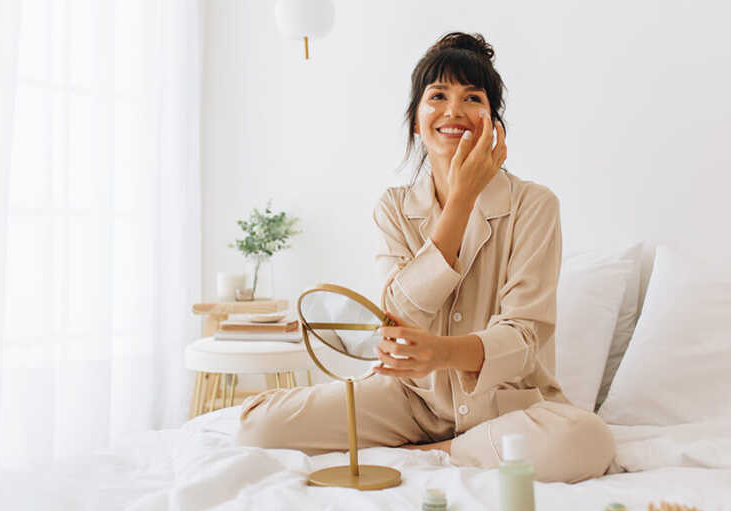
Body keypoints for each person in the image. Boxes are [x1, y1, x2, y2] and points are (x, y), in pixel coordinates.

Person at [237, 31, 615, 483]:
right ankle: (450, 446)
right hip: (410, 402)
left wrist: (443, 353)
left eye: (472, 98)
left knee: (586, 440)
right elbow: (400, 312)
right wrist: (459, 202)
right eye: (438, 95)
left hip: (506, 405)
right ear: (417, 121)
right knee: (255, 424)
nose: (454, 111)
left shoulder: (534, 205)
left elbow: (524, 337)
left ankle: (445, 450)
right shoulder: (394, 207)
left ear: (493, 124)